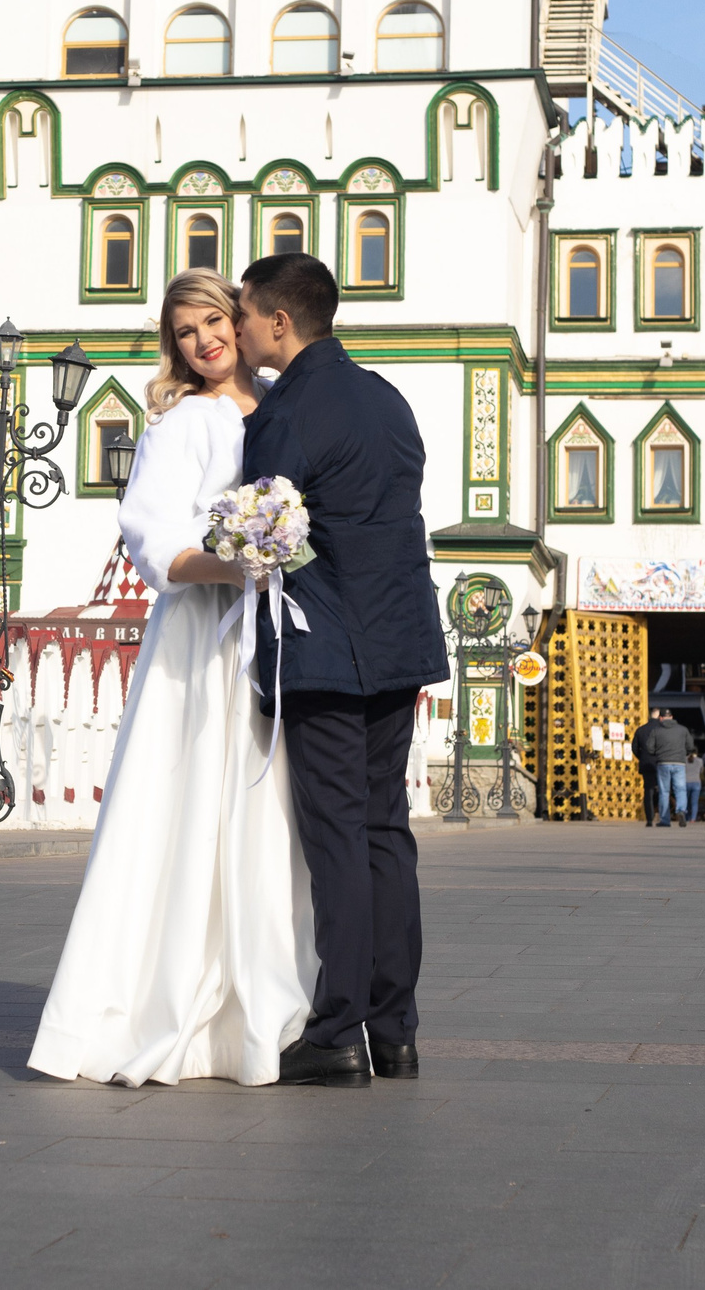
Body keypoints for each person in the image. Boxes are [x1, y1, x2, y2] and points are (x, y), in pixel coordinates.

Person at [28, 271, 314, 1087]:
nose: (203, 341)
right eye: (185, 331)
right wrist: (237, 566)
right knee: (192, 806)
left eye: (214, 320)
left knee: (264, 819)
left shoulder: (283, 403)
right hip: (203, 637)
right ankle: (174, 999)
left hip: (271, 630)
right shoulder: (182, 421)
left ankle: (261, 1003)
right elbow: (151, 539)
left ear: (243, 318)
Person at [236, 252, 450, 1088]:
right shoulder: (388, 399)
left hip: (327, 645)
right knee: (385, 831)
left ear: (280, 322)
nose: (241, 326)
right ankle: (395, 1029)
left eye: (246, 314)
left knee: (337, 837)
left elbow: (265, 523)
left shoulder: (289, 406)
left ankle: (336, 1030)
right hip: (399, 638)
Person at [638, 705, 693, 827]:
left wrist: (658, 753)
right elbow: (690, 747)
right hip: (679, 763)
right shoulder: (683, 730)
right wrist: (683, 753)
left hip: (663, 763)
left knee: (664, 791)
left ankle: (665, 820)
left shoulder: (656, 731)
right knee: (680, 789)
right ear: (672, 717)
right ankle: (681, 810)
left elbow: (649, 748)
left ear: (661, 718)